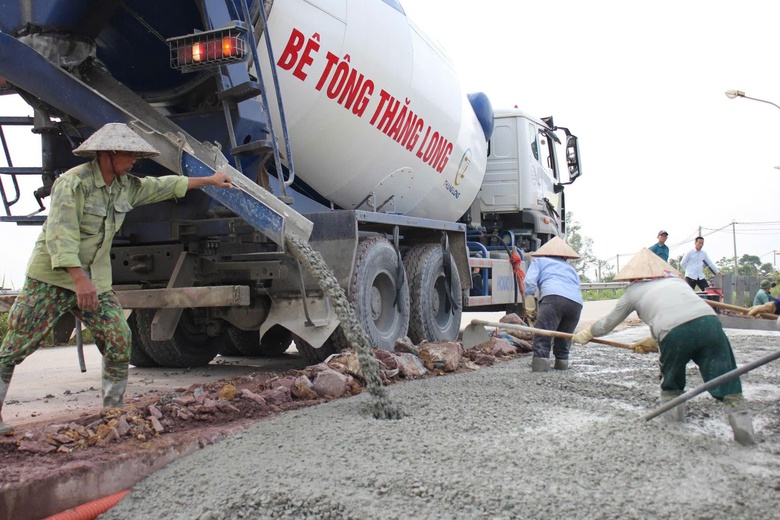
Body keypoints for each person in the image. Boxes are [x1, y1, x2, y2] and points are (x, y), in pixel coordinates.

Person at [0, 123, 234, 434]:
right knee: (16, 347)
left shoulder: (125, 186)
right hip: (52, 279)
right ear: (107, 154)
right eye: (129, 154)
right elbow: (61, 236)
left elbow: (164, 185)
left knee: (119, 339)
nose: (134, 160)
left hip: (95, 281)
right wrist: (79, 281)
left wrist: (211, 180)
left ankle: (113, 411)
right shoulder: (73, 184)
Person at [572, 248, 755, 446]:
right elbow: (679, 310)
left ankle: (673, 433)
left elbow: (609, 323)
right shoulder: (676, 281)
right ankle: (745, 434)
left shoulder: (632, 291)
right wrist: (656, 340)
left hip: (673, 332)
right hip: (709, 323)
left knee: (671, 382)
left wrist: (589, 332)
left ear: (633, 276)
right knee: (726, 377)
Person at [522, 236, 583, 372]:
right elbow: (577, 287)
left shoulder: (540, 261)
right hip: (576, 304)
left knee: (543, 334)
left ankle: (540, 370)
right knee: (564, 337)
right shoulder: (570, 268)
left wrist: (530, 304)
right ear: (565, 257)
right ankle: (562, 366)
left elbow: (529, 282)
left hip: (554, 298)